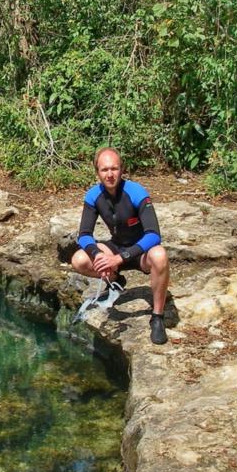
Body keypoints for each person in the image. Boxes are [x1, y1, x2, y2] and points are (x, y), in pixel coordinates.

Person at [71, 147, 170, 344]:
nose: (109, 174)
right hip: (117, 246)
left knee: (160, 256)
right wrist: (97, 254)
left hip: (141, 251)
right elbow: (84, 234)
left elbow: (153, 234)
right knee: (79, 259)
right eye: (104, 170)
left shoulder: (136, 192)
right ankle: (116, 280)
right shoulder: (93, 196)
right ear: (97, 172)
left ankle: (157, 317)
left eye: (114, 169)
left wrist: (119, 258)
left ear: (122, 169)